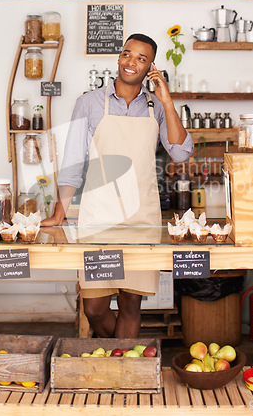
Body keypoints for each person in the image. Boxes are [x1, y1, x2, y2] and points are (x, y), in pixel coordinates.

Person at [42, 33, 193, 338]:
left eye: (141, 58)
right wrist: (60, 213)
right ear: (119, 57)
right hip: (98, 220)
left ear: (151, 67)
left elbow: (180, 151)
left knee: (130, 306)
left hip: (141, 220)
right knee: (94, 308)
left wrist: (167, 99)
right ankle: (119, 356)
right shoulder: (89, 103)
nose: (131, 62)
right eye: (127, 54)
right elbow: (73, 162)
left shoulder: (156, 107)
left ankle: (122, 369)